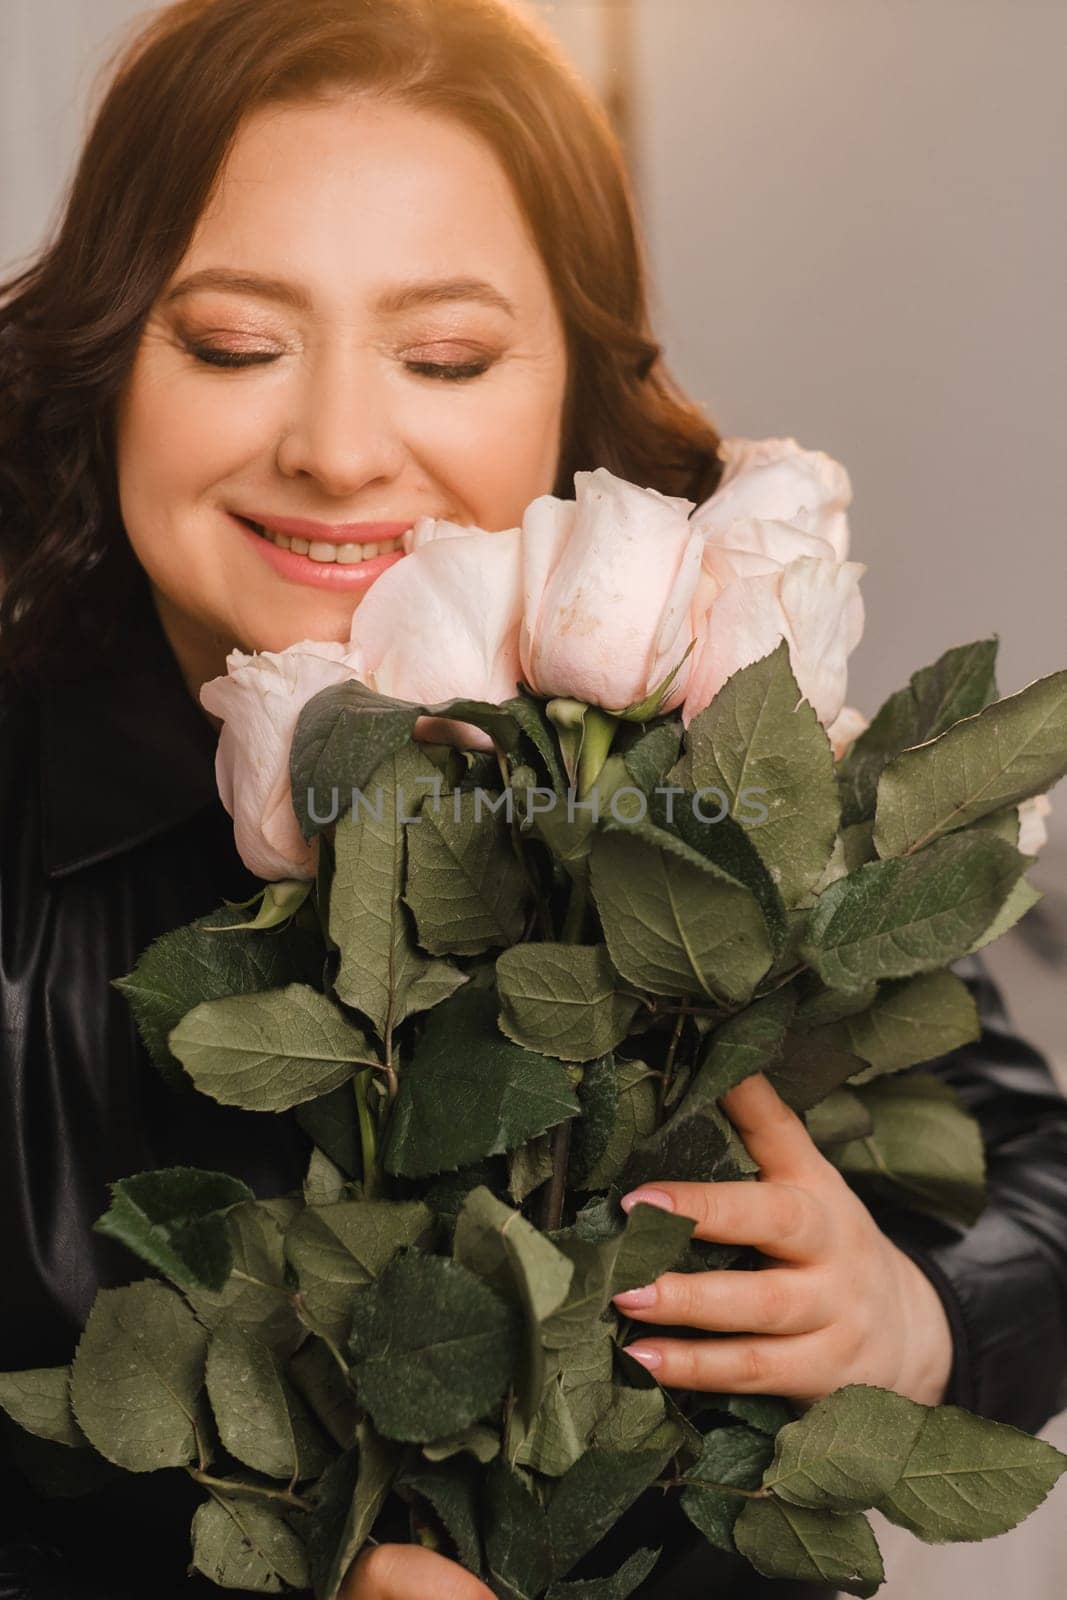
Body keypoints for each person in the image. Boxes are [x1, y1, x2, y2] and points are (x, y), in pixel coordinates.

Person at [1, 2, 1065, 1597]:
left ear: (573, 385)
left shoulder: (713, 772)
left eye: (441, 357)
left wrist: (920, 1312)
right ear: (108, 346)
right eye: (232, 343)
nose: (341, 449)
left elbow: (1033, 1175)